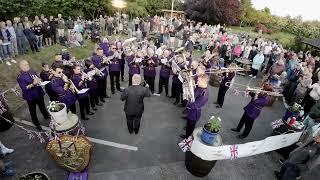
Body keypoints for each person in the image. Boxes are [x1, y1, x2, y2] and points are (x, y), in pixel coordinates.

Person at [17, 60, 50, 131]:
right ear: (21, 67)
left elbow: (37, 77)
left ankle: (46, 115)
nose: (27, 66)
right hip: (30, 96)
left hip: (38, 92)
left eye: (27, 64)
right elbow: (24, 88)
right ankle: (36, 123)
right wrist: (33, 84)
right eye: (25, 65)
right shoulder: (20, 77)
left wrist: (39, 80)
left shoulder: (31, 70)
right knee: (33, 111)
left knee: (42, 105)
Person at [181, 74, 209, 138]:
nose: (197, 82)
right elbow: (193, 94)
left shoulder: (204, 94)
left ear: (203, 81)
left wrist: (186, 102)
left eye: (198, 81)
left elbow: (195, 105)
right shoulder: (199, 87)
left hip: (194, 113)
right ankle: (187, 135)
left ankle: (188, 137)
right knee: (188, 124)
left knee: (190, 126)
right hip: (191, 111)